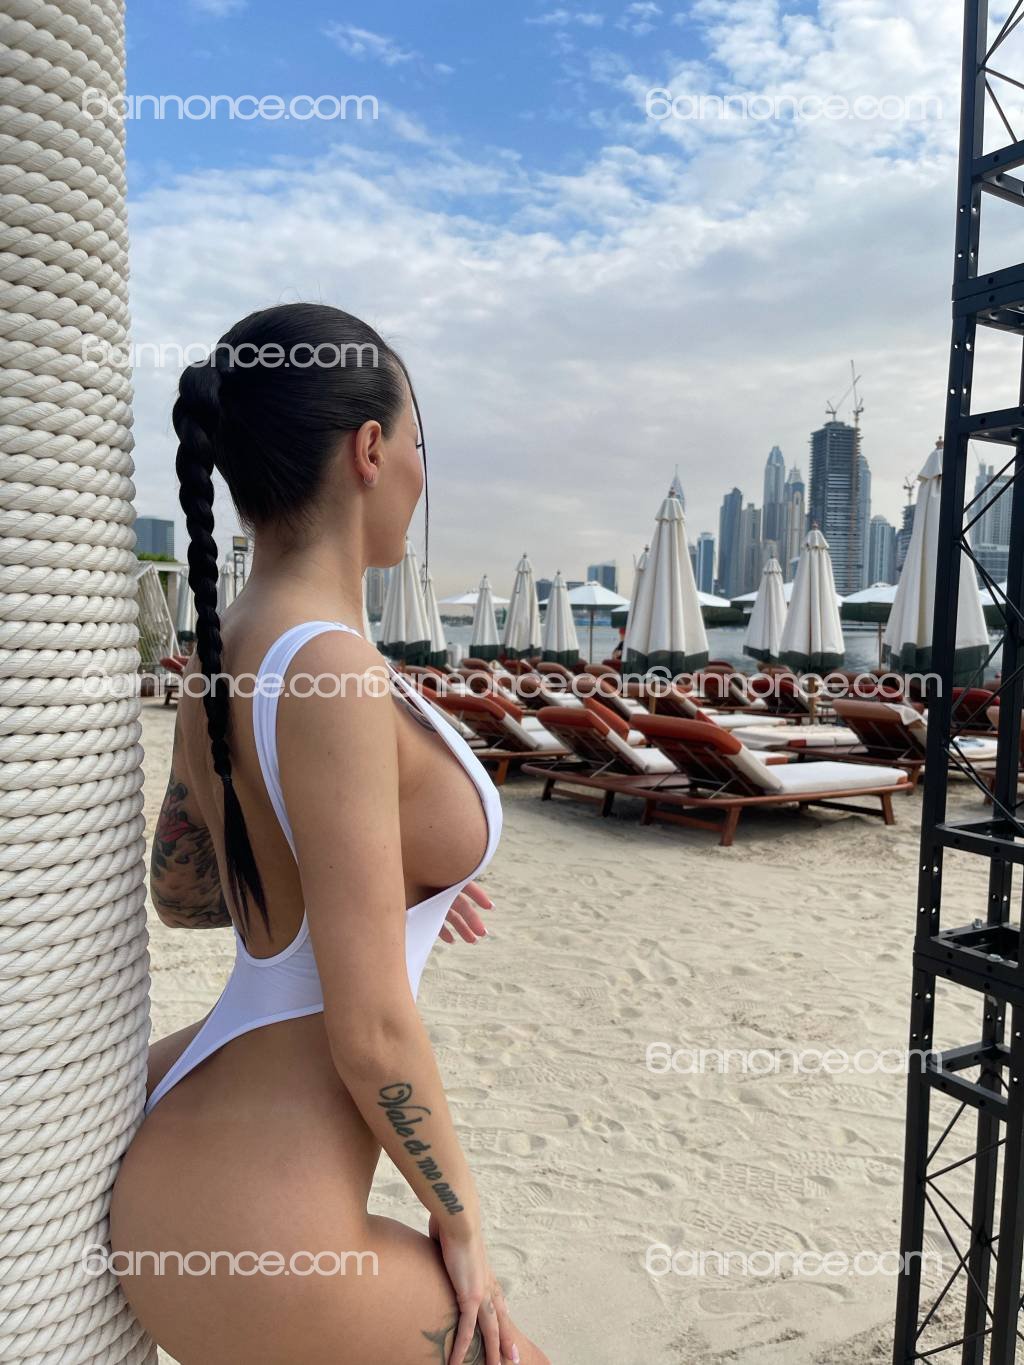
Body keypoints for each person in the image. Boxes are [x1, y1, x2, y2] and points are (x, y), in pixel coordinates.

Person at [109, 304, 550, 1365]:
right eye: (420, 446)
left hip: (185, 1166)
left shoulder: (223, 654)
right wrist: (461, 1222)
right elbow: (371, 1032)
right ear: (370, 450)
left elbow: (187, 896)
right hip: (264, 1234)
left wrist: (386, 880)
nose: (422, 475)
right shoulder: (334, 670)